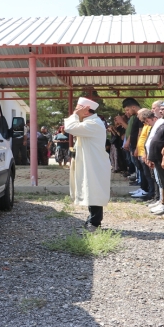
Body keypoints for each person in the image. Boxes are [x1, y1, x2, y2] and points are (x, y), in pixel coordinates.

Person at [65, 97, 111, 232]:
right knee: (90, 191)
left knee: (94, 192)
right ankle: (92, 221)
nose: (75, 111)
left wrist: (75, 116)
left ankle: (94, 223)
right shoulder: (89, 122)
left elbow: (69, 127)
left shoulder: (94, 123)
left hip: (95, 164)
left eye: (78, 108)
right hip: (91, 163)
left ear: (85, 110)